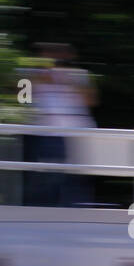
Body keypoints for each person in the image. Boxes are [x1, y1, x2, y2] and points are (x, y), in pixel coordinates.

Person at [26, 43, 96, 206]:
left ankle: (74, 215)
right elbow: (21, 100)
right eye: (49, 52)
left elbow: (91, 101)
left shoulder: (80, 75)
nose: (54, 57)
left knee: (73, 179)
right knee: (44, 178)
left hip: (76, 135)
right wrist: (37, 81)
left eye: (59, 53)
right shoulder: (29, 76)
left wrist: (67, 82)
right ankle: (40, 213)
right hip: (43, 135)